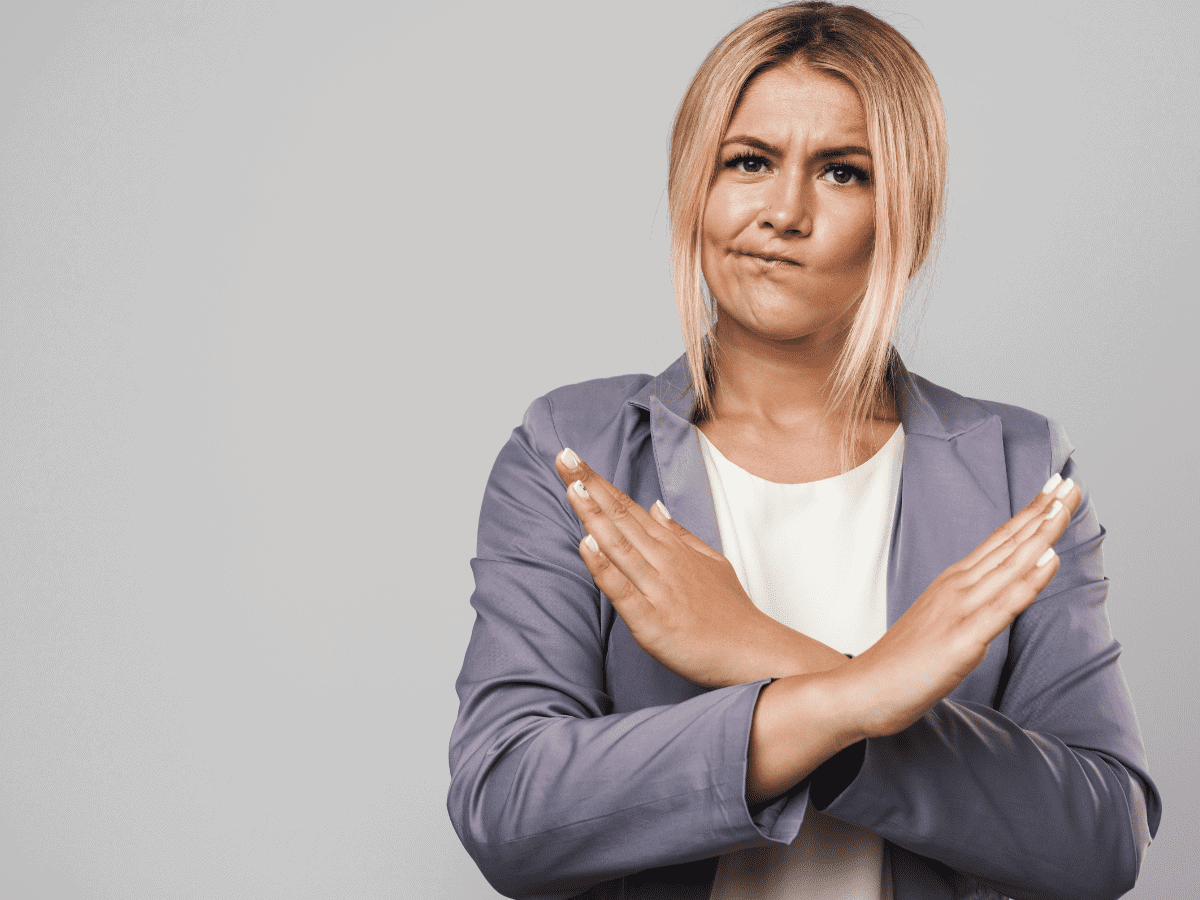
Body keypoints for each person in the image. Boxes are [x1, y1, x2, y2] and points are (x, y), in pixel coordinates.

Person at [447, 3, 1161, 898]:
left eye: (843, 173)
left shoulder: (1018, 468)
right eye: (749, 162)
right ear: (693, 185)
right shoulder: (572, 451)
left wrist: (752, 646)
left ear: (907, 210)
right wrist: (856, 694)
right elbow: (508, 809)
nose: (783, 212)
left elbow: (1101, 840)